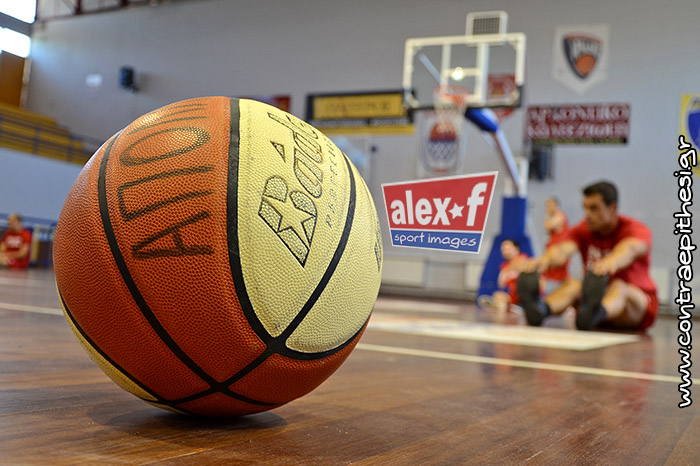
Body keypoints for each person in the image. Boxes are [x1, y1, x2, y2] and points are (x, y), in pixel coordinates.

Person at [516, 181, 657, 331]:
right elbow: (562, 250)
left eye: (594, 208)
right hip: (593, 301)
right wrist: (543, 261)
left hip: (635, 306)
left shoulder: (635, 229)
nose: (587, 214)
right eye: (585, 208)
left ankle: (597, 313)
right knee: (574, 284)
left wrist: (610, 262)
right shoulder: (584, 229)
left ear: (613, 208)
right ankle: (541, 309)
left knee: (619, 286)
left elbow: (629, 249)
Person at [478, 239, 529, 316]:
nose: (505, 251)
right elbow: (501, 285)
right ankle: (499, 308)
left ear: (516, 248)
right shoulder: (504, 266)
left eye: (508, 248)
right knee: (498, 296)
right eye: (503, 249)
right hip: (512, 296)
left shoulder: (523, 260)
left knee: (501, 300)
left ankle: (499, 307)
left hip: (523, 297)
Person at [540, 196, 570, 294]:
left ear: (556, 205)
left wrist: (547, 214)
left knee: (555, 270)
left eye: (550, 205)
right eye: (547, 206)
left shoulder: (560, 216)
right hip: (553, 246)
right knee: (546, 271)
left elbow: (548, 226)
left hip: (558, 247)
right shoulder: (553, 217)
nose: (548, 208)